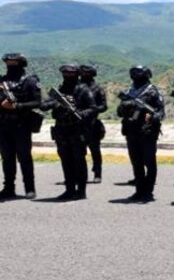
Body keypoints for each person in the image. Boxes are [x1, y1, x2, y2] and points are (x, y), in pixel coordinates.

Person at [40, 64, 95, 200]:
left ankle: (81, 191)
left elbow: (93, 108)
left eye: (71, 73)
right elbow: (45, 105)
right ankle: (69, 189)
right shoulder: (60, 90)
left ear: (77, 74)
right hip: (61, 129)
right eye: (66, 73)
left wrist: (79, 113)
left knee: (79, 160)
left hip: (76, 129)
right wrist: (54, 104)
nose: (68, 75)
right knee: (66, 160)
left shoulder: (83, 89)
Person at [116, 65, 165, 202]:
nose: (137, 77)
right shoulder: (129, 91)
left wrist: (152, 116)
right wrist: (126, 106)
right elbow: (119, 112)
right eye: (135, 74)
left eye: (140, 74)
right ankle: (139, 190)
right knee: (136, 162)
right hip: (131, 131)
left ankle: (148, 191)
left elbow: (161, 112)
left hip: (147, 131)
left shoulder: (153, 92)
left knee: (149, 161)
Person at [0, 52, 41, 200]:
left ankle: (30, 188)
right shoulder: (2, 81)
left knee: (24, 158)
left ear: (21, 64)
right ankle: (8, 188)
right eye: (8, 63)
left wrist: (17, 106)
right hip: (4, 125)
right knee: (7, 158)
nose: (10, 65)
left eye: (14, 63)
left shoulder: (29, 81)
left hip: (22, 125)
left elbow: (37, 102)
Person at [78, 64, 107, 184]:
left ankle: (97, 173)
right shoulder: (76, 87)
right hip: (77, 122)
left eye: (87, 73)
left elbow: (104, 106)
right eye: (82, 73)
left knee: (95, 150)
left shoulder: (97, 89)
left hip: (92, 123)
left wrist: (92, 110)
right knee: (78, 151)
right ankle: (78, 174)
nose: (84, 75)